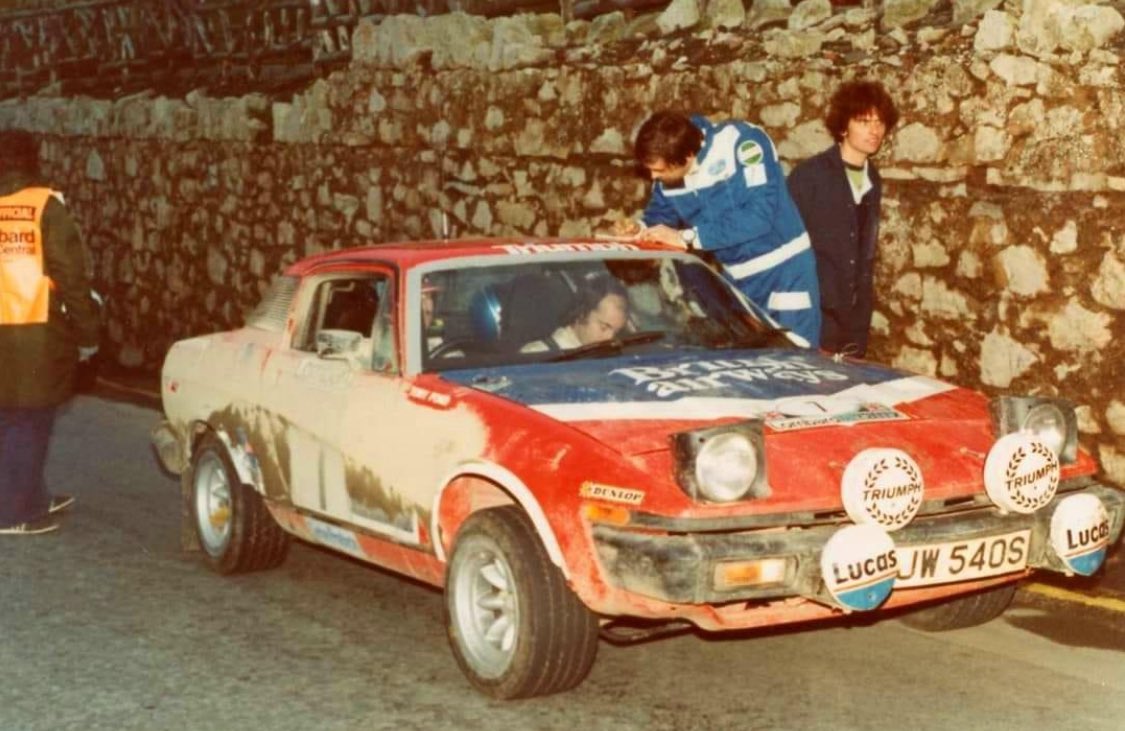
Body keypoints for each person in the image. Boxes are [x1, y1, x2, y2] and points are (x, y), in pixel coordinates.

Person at [615, 111, 821, 348]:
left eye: (660, 171)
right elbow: (660, 216)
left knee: (796, 357)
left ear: (688, 156)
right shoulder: (667, 165)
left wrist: (688, 237)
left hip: (784, 272)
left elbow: (759, 216)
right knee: (748, 363)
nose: (653, 177)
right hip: (736, 280)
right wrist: (638, 229)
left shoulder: (742, 142)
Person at [1, 129, 100, 535]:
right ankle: (15, 512)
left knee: (9, 415)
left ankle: (28, 494)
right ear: (32, 161)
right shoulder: (45, 207)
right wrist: (88, 332)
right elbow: (71, 276)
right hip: (35, 329)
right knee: (31, 417)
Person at [787, 80, 899, 357]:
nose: (875, 130)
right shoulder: (809, 176)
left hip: (854, 316)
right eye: (864, 121)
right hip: (815, 311)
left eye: (880, 122)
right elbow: (788, 246)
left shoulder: (873, 178)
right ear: (842, 127)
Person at [521, 275, 629, 353]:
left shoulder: (613, 359)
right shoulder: (537, 355)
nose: (610, 338)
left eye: (616, 332)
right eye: (604, 327)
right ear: (582, 314)